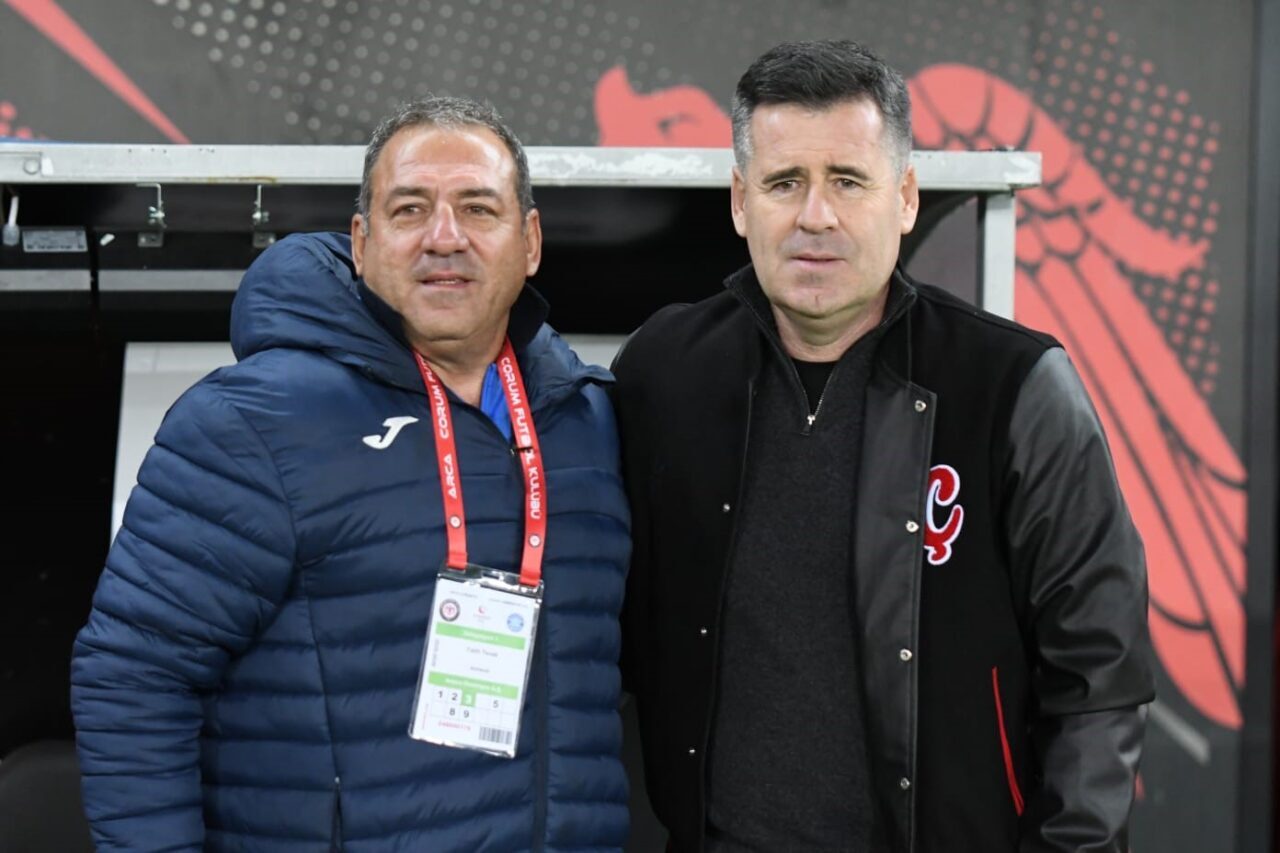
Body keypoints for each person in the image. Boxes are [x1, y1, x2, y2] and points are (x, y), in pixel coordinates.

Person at [612, 40, 1154, 853]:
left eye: (848, 180)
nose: (815, 216)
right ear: (740, 201)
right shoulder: (663, 372)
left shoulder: (1014, 386)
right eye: (784, 182)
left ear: (904, 197)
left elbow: (1099, 676)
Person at [71, 97, 631, 851]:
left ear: (529, 241)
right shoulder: (255, 423)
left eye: (478, 208)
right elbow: (133, 677)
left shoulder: (588, 419)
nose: (444, 237)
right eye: (410, 210)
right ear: (361, 244)